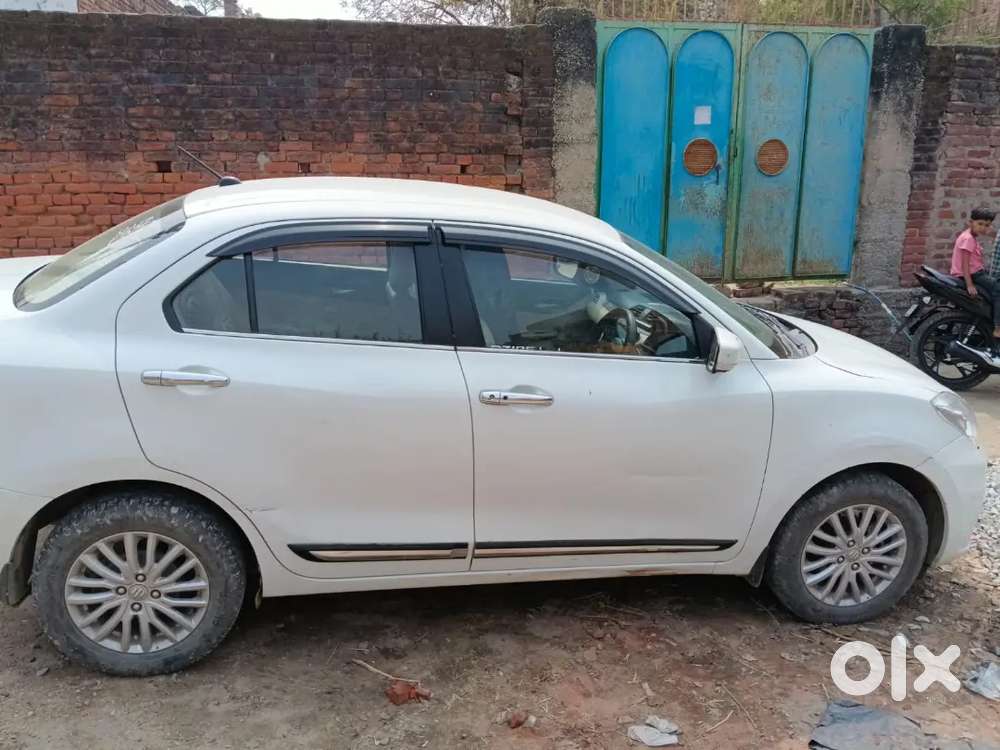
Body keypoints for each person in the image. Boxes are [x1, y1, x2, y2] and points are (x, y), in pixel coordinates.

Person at [951, 207, 998, 342]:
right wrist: (969, 284)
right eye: (980, 224)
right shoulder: (968, 239)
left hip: (975, 273)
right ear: (971, 222)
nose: (983, 228)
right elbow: (965, 264)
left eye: (987, 225)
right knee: (998, 288)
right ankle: (998, 327)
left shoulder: (970, 236)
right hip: (973, 275)